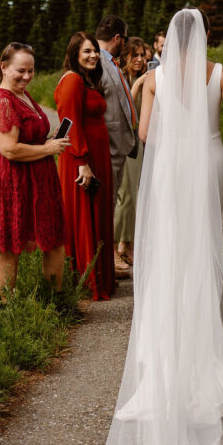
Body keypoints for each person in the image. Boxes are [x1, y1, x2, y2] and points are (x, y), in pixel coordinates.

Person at [93, 8, 223, 445]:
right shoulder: (220, 74)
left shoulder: (151, 78)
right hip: (208, 163)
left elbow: (145, 136)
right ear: (206, 36)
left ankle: (167, 341)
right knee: (203, 249)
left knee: (170, 251)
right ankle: (203, 337)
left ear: (170, 38)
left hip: (169, 170)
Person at [0, 43, 68, 302]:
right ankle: (9, 309)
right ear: (4, 67)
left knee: (53, 240)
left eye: (31, 70)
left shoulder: (23, 94)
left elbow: (30, 137)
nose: (27, 76)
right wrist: (48, 148)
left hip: (40, 178)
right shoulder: (2, 102)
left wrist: (49, 141)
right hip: (13, 180)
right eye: (21, 70)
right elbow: (9, 149)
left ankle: (57, 303)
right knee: (10, 246)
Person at [54, 32, 115, 301]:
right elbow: (68, 122)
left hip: (96, 156)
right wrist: (80, 161)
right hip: (82, 159)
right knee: (84, 214)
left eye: (94, 51)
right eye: (86, 51)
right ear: (75, 54)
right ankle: (86, 280)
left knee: (98, 212)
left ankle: (100, 275)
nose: (92, 55)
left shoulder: (87, 80)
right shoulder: (72, 80)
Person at [96, 15, 136, 279]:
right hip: (107, 145)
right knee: (106, 205)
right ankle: (106, 259)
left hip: (120, 144)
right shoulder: (96, 61)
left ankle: (108, 259)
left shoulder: (110, 62)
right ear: (118, 38)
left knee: (112, 202)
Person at [114, 37, 148, 266]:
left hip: (143, 143)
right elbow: (126, 114)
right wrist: (136, 86)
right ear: (125, 57)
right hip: (126, 143)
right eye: (134, 55)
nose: (139, 59)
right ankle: (118, 246)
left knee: (137, 196)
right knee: (126, 196)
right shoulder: (122, 79)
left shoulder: (147, 79)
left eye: (142, 55)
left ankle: (129, 244)